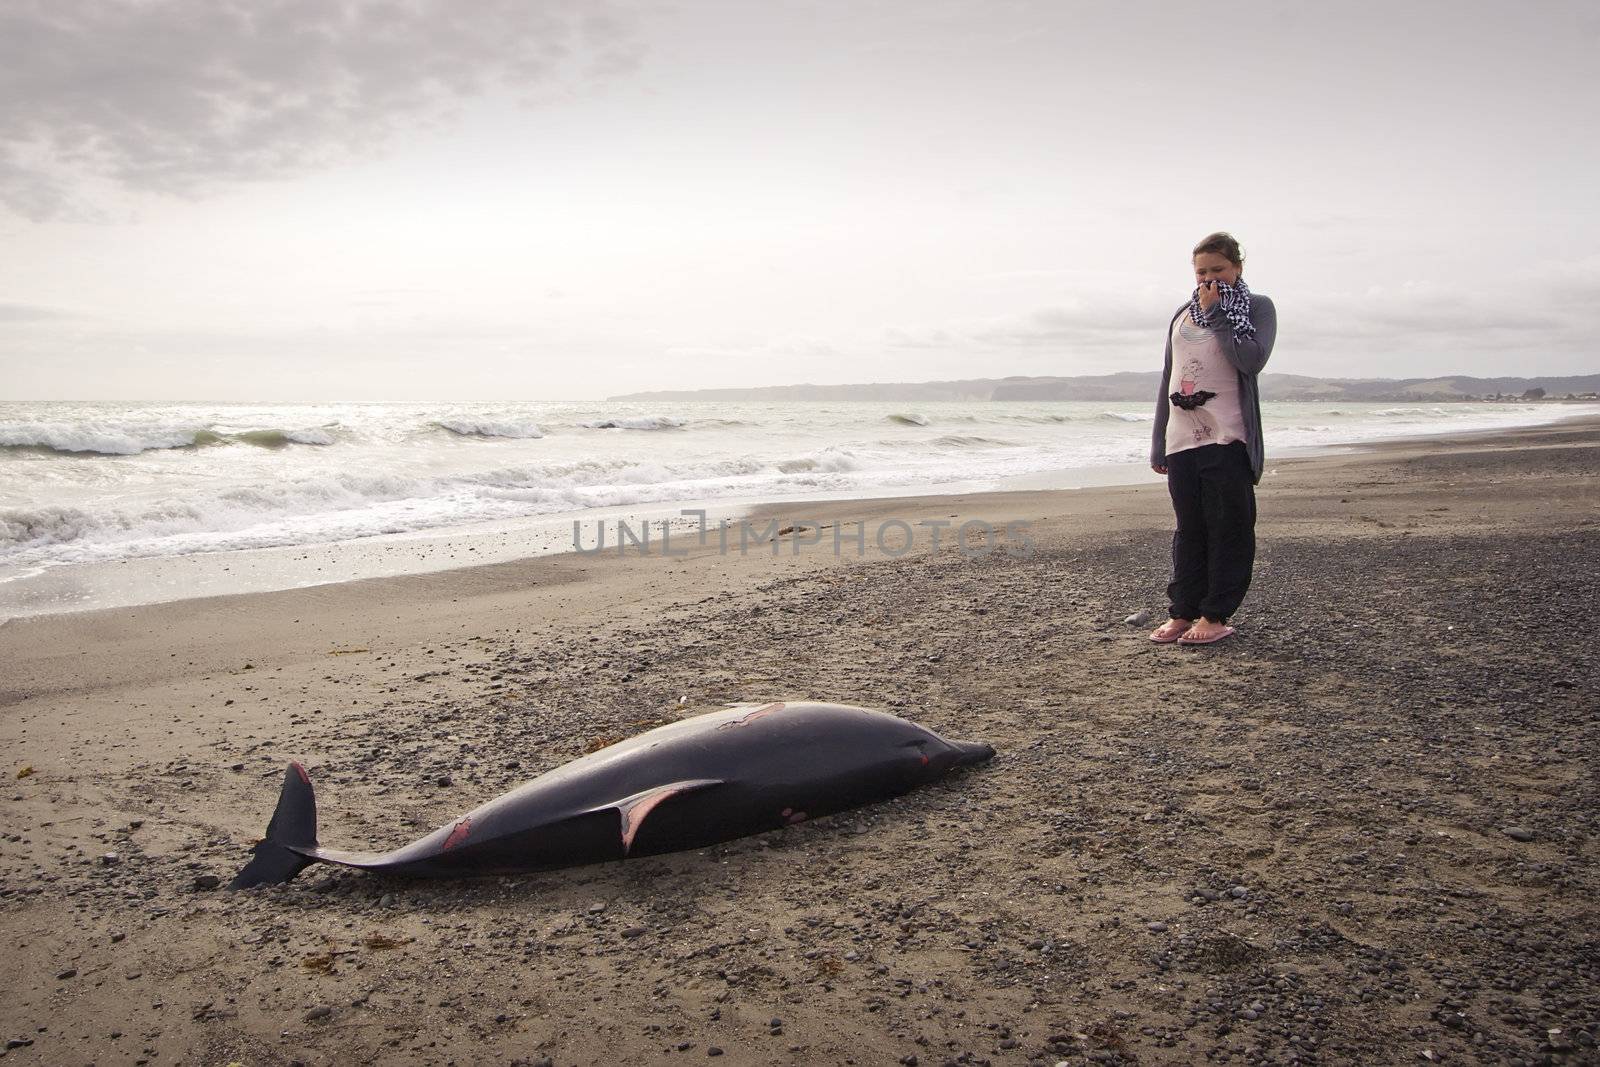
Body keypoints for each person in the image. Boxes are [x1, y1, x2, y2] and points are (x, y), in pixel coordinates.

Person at [1148, 232, 1277, 645]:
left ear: (1237, 268)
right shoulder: (1182, 314)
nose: (1209, 278)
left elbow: (1251, 360)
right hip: (1182, 438)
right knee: (1189, 529)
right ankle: (1183, 611)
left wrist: (1219, 313)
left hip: (1229, 435)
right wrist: (1157, 440)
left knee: (1229, 527)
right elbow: (1169, 377)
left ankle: (1216, 614)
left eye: (1218, 270)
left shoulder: (1257, 308)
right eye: (1202, 271)